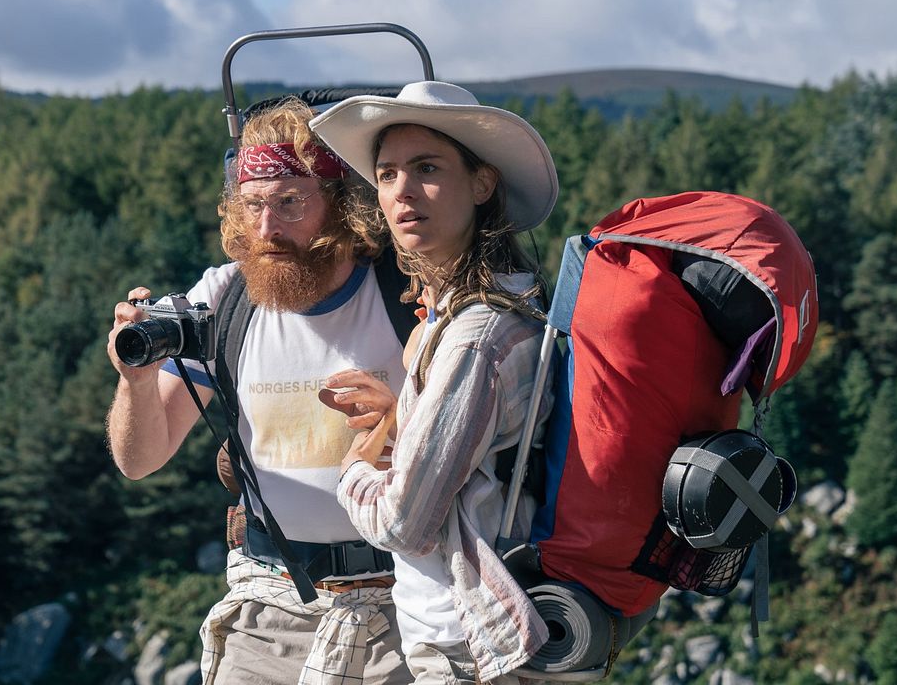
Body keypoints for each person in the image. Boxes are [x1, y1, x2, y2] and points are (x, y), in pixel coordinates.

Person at [105, 98, 412, 685]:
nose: (268, 228)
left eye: (291, 202)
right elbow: (139, 459)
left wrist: (408, 421)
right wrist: (136, 382)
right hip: (267, 604)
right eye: (253, 206)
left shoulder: (404, 294)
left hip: (402, 599)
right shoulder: (226, 299)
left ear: (342, 203)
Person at [309, 81, 560, 683]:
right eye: (388, 173)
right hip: (467, 639)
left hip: (467, 648)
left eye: (427, 168)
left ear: (481, 184)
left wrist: (353, 469)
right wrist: (403, 418)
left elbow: (404, 524)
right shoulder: (478, 315)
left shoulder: (475, 336)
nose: (402, 192)